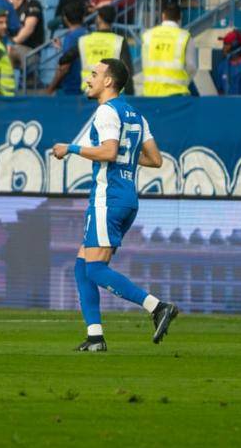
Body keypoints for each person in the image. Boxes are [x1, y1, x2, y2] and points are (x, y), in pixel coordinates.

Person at [52, 58, 178, 353]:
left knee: (95, 270)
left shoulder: (106, 112)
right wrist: (125, 158)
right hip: (127, 198)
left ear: (109, 81)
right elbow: (155, 159)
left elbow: (108, 151)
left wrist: (70, 148)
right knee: (82, 266)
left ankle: (157, 306)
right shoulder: (136, 115)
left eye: (94, 74)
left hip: (107, 198)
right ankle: (95, 336)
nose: (88, 79)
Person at [140, 3, 194, 96]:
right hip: (176, 94)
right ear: (180, 17)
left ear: (163, 16)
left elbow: (144, 63)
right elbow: (192, 66)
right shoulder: (184, 37)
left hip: (150, 94)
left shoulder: (148, 35)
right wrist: (184, 82)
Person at [76, 5, 129, 92]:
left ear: (99, 18)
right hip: (111, 90)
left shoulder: (84, 40)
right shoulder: (119, 41)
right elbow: (127, 69)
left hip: (89, 90)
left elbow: (67, 58)